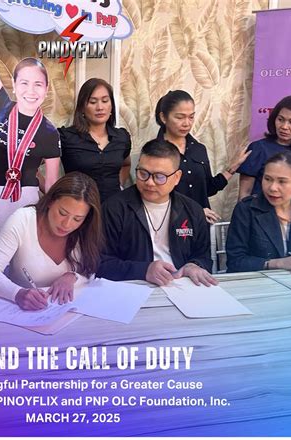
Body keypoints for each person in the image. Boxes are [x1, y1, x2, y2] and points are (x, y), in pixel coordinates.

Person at [0, 0, 60, 293]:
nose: (31, 91)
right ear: (15, 84)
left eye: (38, 84)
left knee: (21, 268)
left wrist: (52, 223)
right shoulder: (1, 107)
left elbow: (52, 184)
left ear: (46, 89)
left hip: (26, 202)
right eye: (24, 83)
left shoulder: (50, 133)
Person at [98, 139, 217, 286]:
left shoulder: (193, 210)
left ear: (177, 177)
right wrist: (143, 270)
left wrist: (194, 265)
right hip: (134, 285)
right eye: (143, 173)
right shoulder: (114, 208)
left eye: (159, 177)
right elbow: (100, 262)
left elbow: (203, 256)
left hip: (180, 285)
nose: (149, 182)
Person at [0, 172, 103, 310]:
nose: (67, 224)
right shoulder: (23, 219)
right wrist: (17, 293)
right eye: (62, 213)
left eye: (77, 219)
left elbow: (90, 271)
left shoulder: (85, 230)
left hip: (69, 310)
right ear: (50, 201)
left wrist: (73, 277)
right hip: (23, 312)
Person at [155, 90, 250, 223]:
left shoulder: (198, 149)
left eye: (191, 117)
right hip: (170, 225)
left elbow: (208, 189)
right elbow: (154, 195)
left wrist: (233, 167)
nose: (187, 123)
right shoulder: (154, 152)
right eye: (180, 117)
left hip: (200, 226)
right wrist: (195, 211)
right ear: (163, 117)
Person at [227, 151, 291, 273]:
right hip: (256, 281)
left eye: (282, 181)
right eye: (267, 179)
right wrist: (277, 263)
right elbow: (235, 261)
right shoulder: (246, 210)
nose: (272, 188)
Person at [59, 78, 131, 202]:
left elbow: (126, 164)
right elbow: (32, 164)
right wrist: (51, 192)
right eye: (93, 102)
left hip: (113, 207)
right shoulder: (66, 137)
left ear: (111, 105)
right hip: (79, 207)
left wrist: (118, 185)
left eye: (105, 101)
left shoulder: (121, 137)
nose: (100, 107)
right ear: (82, 107)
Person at [238, 94, 291, 199]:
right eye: (280, 119)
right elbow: (244, 193)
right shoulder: (259, 148)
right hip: (261, 208)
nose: (284, 126)